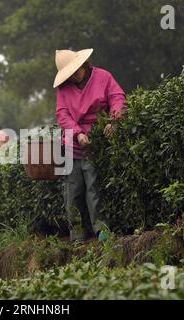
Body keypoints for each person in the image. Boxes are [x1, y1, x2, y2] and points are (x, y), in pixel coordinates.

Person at [54, 49, 127, 242]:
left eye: (76, 70)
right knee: (73, 192)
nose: (74, 75)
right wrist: (77, 133)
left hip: (95, 143)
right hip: (72, 145)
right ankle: (77, 236)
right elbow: (62, 114)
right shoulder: (63, 89)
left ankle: (101, 230)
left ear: (84, 64)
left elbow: (117, 97)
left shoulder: (103, 77)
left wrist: (114, 120)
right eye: (70, 74)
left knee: (94, 187)